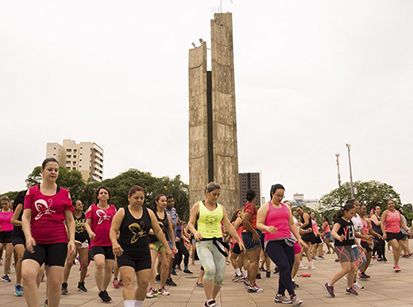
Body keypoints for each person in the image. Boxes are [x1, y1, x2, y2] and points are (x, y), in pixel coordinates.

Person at [21, 158, 76, 307]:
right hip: (36, 242)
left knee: (55, 283)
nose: (53, 172)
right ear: (42, 171)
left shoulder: (64, 193)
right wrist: (28, 236)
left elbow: (70, 220)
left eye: (56, 170)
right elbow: (26, 217)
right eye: (50, 169)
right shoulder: (32, 191)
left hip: (58, 242)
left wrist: (71, 240)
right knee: (27, 274)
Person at [110, 185, 172, 307]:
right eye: (136, 197)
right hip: (125, 253)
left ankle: (137, 305)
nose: (139, 200)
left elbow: (158, 231)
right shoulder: (122, 212)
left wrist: (168, 247)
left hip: (143, 253)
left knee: (144, 283)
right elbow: (113, 230)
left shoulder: (149, 213)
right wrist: (115, 243)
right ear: (129, 198)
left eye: (142, 198)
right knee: (128, 281)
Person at [188, 182, 245, 307]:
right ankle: (210, 300)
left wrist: (239, 240)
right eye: (214, 194)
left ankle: (210, 301)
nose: (216, 197)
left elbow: (228, 225)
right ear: (206, 193)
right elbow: (190, 224)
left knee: (219, 277)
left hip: (218, 242)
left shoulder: (221, 208)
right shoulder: (197, 206)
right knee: (209, 269)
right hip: (203, 243)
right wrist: (195, 232)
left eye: (218, 195)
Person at [257, 184, 305, 306]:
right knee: (283, 265)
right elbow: (258, 224)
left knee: (287, 268)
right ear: (272, 193)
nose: (280, 198)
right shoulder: (264, 208)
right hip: (272, 242)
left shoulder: (286, 207)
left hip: (287, 240)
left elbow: (291, 224)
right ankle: (293, 295)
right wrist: (267, 228)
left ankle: (279, 295)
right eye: (278, 195)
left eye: (282, 196)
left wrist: (298, 238)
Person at [85, 187, 117, 302]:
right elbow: (87, 224)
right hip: (97, 242)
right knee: (100, 264)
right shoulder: (92, 208)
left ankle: (104, 289)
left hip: (110, 242)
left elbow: (117, 224)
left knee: (109, 268)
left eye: (106, 193)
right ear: (97, 196)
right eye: (101, 193)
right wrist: (90, 232)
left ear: (108, 196)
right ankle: (100, 290)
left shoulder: (113, 209)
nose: (103, 194)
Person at [323, 202, 358, 298]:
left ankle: (349, 287)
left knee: (353, 268)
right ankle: (329, 284)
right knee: (346, 268)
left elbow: (353, 235)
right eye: (351, 213)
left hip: (349, 246)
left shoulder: (349, 222)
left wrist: (361, 242)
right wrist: (339, 237)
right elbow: (333, 232)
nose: (352, 215)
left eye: (353, 214)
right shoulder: (339, 221)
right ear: (345, 212)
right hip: (341, 247)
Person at [147, 194, 177, 297]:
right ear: (157, 202)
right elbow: (146, 228)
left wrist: (174, 245)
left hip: (164, 242)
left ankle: (162, 287)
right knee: (151, 263)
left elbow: (171, 231)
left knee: (165, 265)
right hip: (153, 242)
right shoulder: (151, 214)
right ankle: (152, 288)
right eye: (162, 201)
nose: (165, 203)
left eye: (165, 201)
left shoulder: (166, 215)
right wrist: (153, 232)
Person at [62, 200, 89, 294]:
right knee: (69, 262)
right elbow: (66, 229)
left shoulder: (85, 216)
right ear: (74, 206)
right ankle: (64, 284)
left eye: (82, 204)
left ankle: (81, 283)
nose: (81, 205)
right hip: (73, 241)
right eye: (79, 204)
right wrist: (71, 240)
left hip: (83, 241)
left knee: (85, 264)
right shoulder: (70, 216)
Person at [240, 189, 263, 293]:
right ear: (255, 197)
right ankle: (252, 284)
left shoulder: (246, 205)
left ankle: (250, 282)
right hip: (251, 234)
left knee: (251, 260)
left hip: (247, 234)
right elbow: (245, 220)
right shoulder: (251, 206)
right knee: (254, 260)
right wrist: (254, 232)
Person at [380, 199, 411, 272]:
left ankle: (396, 265)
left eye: (392, 203)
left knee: (398, 249)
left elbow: (402, 224)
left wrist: (407, 230)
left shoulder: (398, 213)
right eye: (389, 204)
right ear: (387, 205)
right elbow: (382, 223)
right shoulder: (385, 212)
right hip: (389, 232)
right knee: (396, 247)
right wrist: (384, 233)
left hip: (398, 232)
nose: (391, 205)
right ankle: (396, 264)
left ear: (394, 204)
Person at [10, 190, 27, 296]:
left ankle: (27, 281)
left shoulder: (35, 206)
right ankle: (18, 284)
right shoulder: (21, 205)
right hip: (18, 235)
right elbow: (12, 220)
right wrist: (24, 223)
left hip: (28, 235)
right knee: (22, 256)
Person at [0, 195, 14, 283]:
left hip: (10, 234)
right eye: (2, 204)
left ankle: (5, 275)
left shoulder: (13, 212)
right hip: (1, 234)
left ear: (9, 203)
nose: (4, 205)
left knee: (8, 255)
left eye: (6, 203)